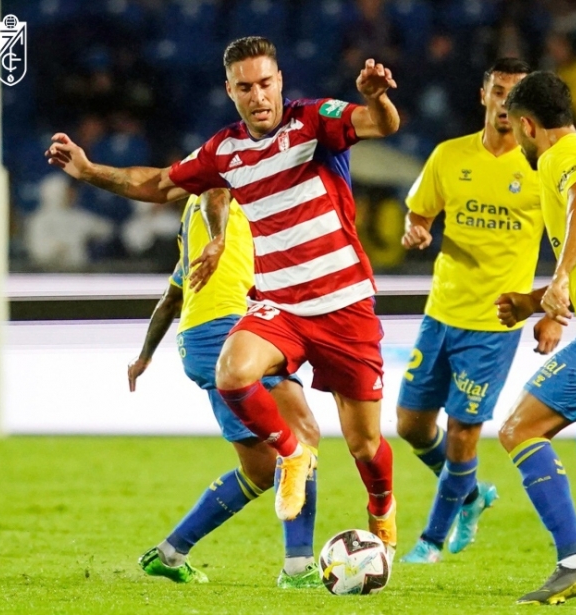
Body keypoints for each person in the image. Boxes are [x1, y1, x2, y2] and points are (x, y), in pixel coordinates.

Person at [45, 36, 400, 562]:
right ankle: (292, 454)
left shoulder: (314, 121)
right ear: (229, 90)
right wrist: (90, 170)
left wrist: (377, 98)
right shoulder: (224, 152)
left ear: (279, 81)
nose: (258, 96)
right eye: (245, 87)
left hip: (343, 301)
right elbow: (160, 184)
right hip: (280, 305)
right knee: (232, 372)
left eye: (265, 83)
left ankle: (382, 511)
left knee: (364, 445)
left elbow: (382, 126)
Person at [396, 58, 562, 564]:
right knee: (410, 426)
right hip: (442, 309)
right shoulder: (449, 156)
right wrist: (416, 231)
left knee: (464, 429)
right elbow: (419, 213)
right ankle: (470, 494)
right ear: (484, 96)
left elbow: (566, 241)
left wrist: (552, 311)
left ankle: (430, 541)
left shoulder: (539, 170)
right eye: (498, 92)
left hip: (496, 321)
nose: (505, 104)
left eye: (516, 95)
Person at [126, 188, 322, 588]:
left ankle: (170, 552)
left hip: (200, 338)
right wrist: (219, 238)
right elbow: (216, 189)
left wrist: (144, 356)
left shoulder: (199, 239)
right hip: (230, 329)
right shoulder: (223, 191)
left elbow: (171, 298)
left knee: (263, 469)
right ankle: (299, 568)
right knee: (302, 435)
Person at [495, 70, 576, 605]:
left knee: (520, 429)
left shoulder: (562, 155)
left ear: (528, 125)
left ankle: (573, 562)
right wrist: (535, 300)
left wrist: (561, 275)